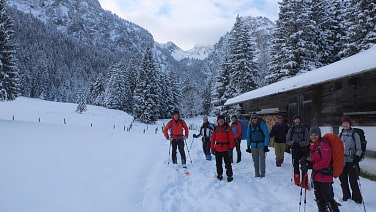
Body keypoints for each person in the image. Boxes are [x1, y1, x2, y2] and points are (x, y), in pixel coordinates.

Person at [301, 127, 339, 212]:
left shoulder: (324, 146)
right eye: (311, 135)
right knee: (319, 199)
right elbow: (315, 160)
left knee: (328, 199)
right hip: (316, 177)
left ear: (319, 135)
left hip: (325, 177)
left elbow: (325, 162)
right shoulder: (313, 146)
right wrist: (307, 162)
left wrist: (313, 166)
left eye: (315, 135)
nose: (313, 137)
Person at [339, 116, 363, 204]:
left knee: (353, 180)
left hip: (352, 160)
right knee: (343, 180)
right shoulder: (341, 134)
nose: (345, 124)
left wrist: (357, 157)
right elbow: (337, 146)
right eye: (343, 123)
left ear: (350, 124)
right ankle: (346, 196)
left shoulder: (354, 134)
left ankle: (357, 198)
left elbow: (359, 148)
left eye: (346, 123)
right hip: (342, 161)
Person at [286, 115, 310, 186]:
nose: (297, 121)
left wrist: (299, 144)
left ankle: (304, 182)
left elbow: (307, 141)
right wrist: (293, 143)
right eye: (295, 120)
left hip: (303, 150)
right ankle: (297, 182)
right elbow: (287, 140)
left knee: (304, 166)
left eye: (298, 120)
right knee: (295, 166)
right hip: (295, 150)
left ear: (300, 121)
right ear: (293, 121)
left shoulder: (304, 129)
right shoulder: (291, 129)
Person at [210, 115, 235, 182]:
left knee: (228, 164)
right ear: (217, 121)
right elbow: (213, 139)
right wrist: (212, 148)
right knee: (218, 163)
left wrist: (231, 148)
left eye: (222, 120)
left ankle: (229, 175)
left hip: (226, 149)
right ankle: (219, 174)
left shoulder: (228, 128)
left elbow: (232, 139)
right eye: (219, 120)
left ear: (224, 121)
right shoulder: (215, 128)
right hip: (217, 149)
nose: (221, 121)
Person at [246, 113, 270, 178]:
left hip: (261, 145)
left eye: (255, 118)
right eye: (252, 118)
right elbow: (248, 136)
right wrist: (248, 146)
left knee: (262, 161)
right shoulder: (250, 126)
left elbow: (266, 135)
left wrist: (266, 145)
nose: (254, 119)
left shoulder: (262, 124)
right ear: (251, 119)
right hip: (253, 145)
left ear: (257, 118)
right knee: (255, 161)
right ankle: (257, 175)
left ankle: (263, 175)